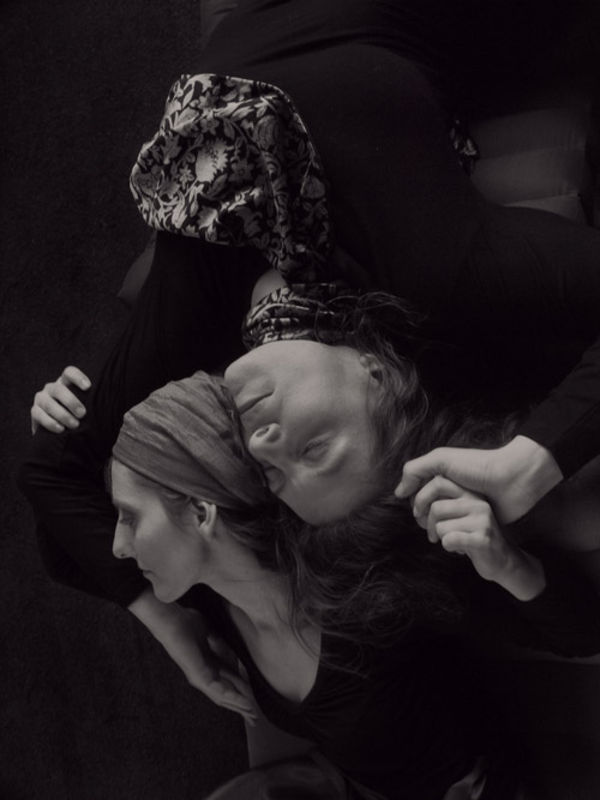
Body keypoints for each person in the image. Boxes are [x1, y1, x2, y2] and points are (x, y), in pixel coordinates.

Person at [19, 0, 600, 716]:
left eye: (271, 472)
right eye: (316, 448)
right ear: (378, 376)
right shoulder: (447, 281)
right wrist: (530, 467)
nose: (265, 443)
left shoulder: (205, 323)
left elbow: (55, 492)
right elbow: (580, 632)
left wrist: (168, 622)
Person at [102, 367, 600, 800]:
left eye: (129, 517)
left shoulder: (372, 597)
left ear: (200, 512)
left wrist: (507, 563)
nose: (118, 546)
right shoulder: (210, 598)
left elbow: (582, 633)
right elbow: (61, 502)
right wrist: (168, 628)